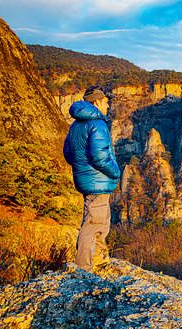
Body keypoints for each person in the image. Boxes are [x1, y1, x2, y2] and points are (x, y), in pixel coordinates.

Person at [63, 85, 120, 273]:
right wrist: (115, 172)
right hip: (98, 182)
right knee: (93, 226)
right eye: (105, 102)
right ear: (96, 102)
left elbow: (68, 154)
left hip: (88, 181)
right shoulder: (97, 124)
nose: (107, 106)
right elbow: (100, 157)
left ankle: (100, 262)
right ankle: (84, 270)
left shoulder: (75, 125)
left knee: (100, 223)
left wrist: (82, 168)